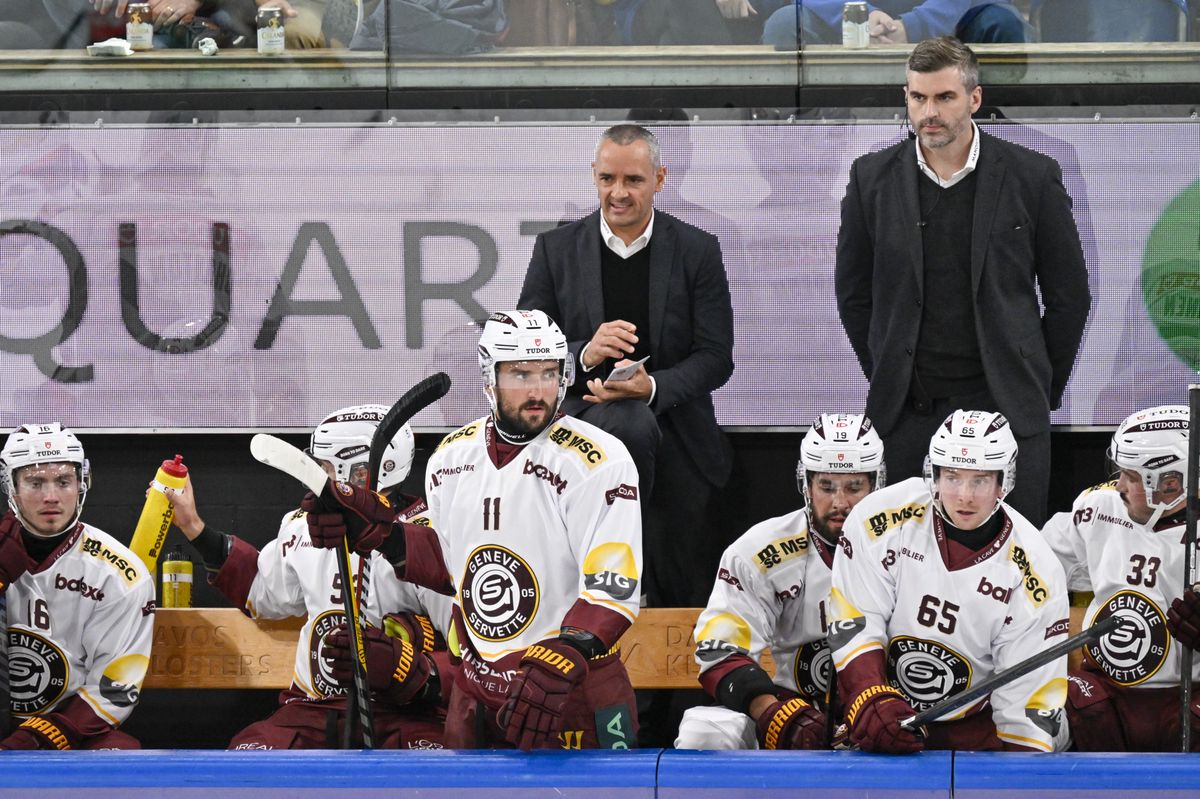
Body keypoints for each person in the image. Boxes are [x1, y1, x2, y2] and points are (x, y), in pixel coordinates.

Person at [303, 310, 643, 751]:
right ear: (489, 378)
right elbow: (453, 565)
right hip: (476, 695)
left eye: (548, 373)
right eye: (520, 374)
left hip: (566, 691)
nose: (537, 390)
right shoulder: (451, 457)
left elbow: (612, 586)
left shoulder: (599, 459)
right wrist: (385, 535)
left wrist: (567, 651)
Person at [834, 36, 1090, 527]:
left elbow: (1069, 298)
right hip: (906, 416)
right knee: (904, 558)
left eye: (944, 97)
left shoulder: (1032, 175)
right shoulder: (870, 178)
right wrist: (890, 371)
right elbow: (854, 295)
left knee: (1011, 561)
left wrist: (1036, 387)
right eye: (918, 97)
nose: (929, 112)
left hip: (1008, 412)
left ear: (974, 98)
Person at [517, 123, 734, 609]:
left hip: (679, 437)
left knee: (681, 603)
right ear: (593, 176)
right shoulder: (555, 249)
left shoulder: (698, 250)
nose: (618, 193)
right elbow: (527, 354)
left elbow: (716, 357)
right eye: (607, 179)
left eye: (633, 180)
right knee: (627, 423)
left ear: (660, 179)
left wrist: (651, 387)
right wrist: (584, 354)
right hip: (580, 435)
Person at [164, 405, 453, 749]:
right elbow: (263, 594)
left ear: (364, 471)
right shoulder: (302, 525)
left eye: (325, 467)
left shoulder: (430, 537)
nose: (315, 478)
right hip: (311, 709)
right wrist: (194, 528)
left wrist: (412, 669)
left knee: (435, 770)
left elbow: (471, 648)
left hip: (404, 714)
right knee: (245, 764)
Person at [829, 409, 1070, 753]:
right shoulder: (880, 517)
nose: (964, 496)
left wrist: (1017, 771)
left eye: (980, 480)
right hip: (885, 711)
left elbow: (1027, 707)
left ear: (1004, 481)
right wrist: (871, 699)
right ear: (934, 475)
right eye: (953, 477)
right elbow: (855, 621)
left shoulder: (1037, 569)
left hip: (975, 731)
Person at [677, 413, 886, 750]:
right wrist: (772, 713)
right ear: (806, 484)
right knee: (704, 730)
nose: (840, 502)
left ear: (877, 484)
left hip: (883, 713)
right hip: (796, 713)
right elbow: (720, 649)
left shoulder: (909, 546)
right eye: (826, 486)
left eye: (854, 487)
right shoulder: (761, 549)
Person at [1041, 405, 1200, 751]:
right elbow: (1029, 574)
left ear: (1172, 483)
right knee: (1035, 713)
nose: (1120, 486)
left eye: (1131, 476)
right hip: (1103, 691)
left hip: (1187, 699)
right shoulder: (1099, 506)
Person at [0, 423, 154, 750]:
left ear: (82, 483)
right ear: (10, 486)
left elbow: (114, 688)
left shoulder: (119, 573)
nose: (51, 496)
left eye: (63, 481)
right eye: (35, 482)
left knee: (120, 758)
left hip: (71, 728)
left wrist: (37, 737)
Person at [762, 1, 1032, 48]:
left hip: (950, 21)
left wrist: (914, 26)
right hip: (850, 19)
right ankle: (798, 160)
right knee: (786, 23)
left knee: (1002, 22)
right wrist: (860, 14)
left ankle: (994, 141)